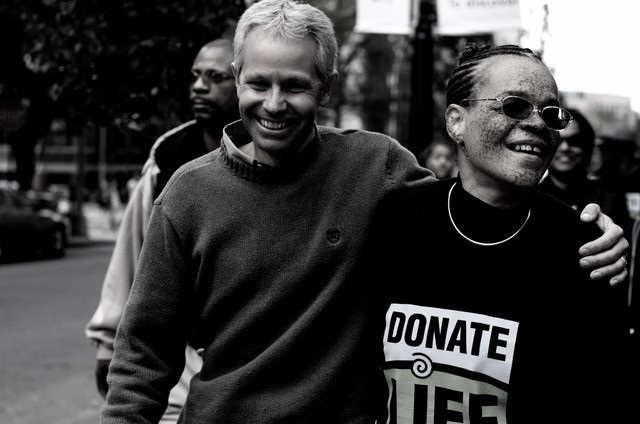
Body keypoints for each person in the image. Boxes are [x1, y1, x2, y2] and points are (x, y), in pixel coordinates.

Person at [100, 2, 628, 423]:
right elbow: (144, 353)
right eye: (259, 83)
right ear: (238, 80)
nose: (275, 103)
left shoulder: (374, 166)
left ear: (325, 88)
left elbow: (474, 203)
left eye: (296, 86)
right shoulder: (188, 193)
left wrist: (591, 230)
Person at [367, 44, 633, 423]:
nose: (539, 124)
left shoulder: (584, 250)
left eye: (551, 113)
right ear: (457, 121)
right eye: (514, 105)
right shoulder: (395, 219)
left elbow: (605, 400)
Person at [85, 37, 239, 423]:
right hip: (179, 367)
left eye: (215, 77)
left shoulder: (280, 155)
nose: (199, 86)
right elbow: (132, 251)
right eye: (196, 76)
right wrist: (107, 342)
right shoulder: (168, 157)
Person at [537, 107, 632, 232]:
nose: (565, 148)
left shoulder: (610, 197)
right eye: (558, 140)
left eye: (575, 141)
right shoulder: (527, 197)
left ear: (586, 147)